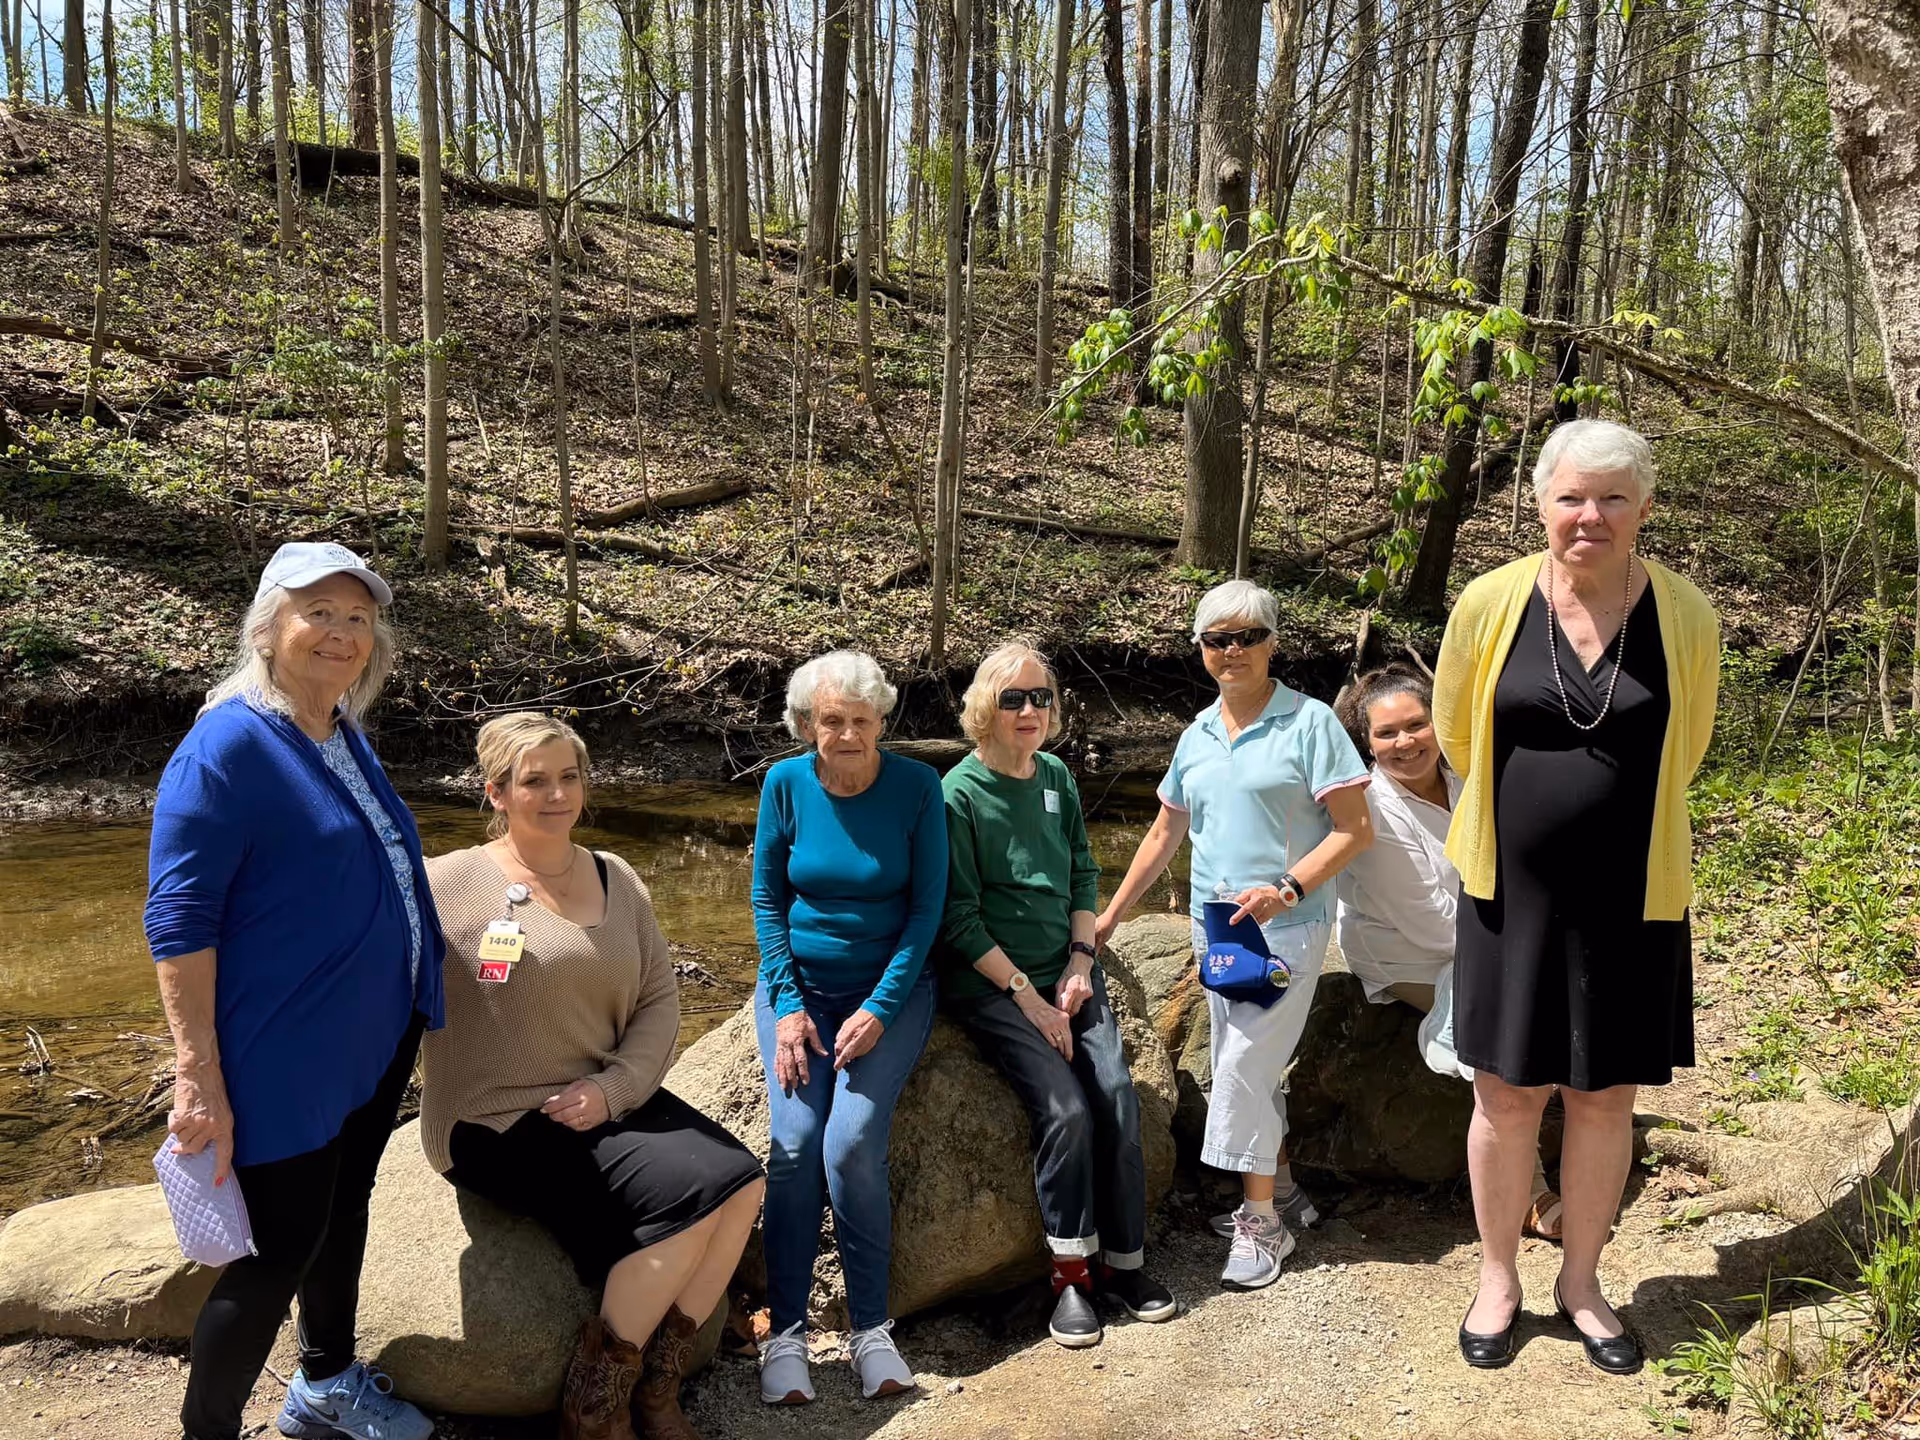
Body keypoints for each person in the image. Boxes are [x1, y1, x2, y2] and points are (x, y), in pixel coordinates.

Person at [1435, 419, 1719, 1374]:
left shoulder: (1685, 616)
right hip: (1508, 898)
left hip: (1632, 900)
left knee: (1604, 1099)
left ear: (1643, 509)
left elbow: (1690, 748)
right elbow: (1457, 734)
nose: (1588, 515)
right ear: (1541, 504)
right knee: (1505, 1097)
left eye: (1610, 498)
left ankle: (1584, 1282)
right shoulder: (1488, 602)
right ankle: (1498, 1278)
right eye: (1570, 497)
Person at [144, 542, 445, 1440]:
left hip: (370, 1037)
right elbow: (180, 920)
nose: (342, 634)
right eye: (320, 612)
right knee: (273, 1254)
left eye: (358, 619)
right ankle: (208, 1433)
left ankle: (323, 1383)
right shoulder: (228, 742)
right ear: (268, 627)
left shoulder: (339, 728)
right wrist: (196, 1068)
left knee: (337, 1214)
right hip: (281, 1049)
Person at [421, 712, 764, 1440]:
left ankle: (652, 1385)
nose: (555, 794)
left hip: (605, 1096)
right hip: (499, 1121)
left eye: (568, 777)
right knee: (687, 1203)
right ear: (497, 792)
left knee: (744, 1180)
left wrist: (613, 1089)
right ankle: (594, 1411)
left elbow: (660, 997)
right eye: (534, 781)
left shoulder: (617, 874)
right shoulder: (446, 885)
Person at [1096, 580, 1373, 1291]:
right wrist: (1111, 916)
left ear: (1273, 642)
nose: (1233, 650)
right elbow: (1164, 833)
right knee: (1243, 1060)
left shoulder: (1310, 723)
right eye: (1217, 639)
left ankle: (1261, 1225)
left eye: (1248, 635)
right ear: (1201, 650)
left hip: (1289, 928)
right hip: (1218, 932)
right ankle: (1281, 1190)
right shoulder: (1196, 734)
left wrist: (1287, 891)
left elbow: (1354, 830)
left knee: (1243, 1067)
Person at [937, 643, 1178, 1350]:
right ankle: (1070, 1278)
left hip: (1067, 970)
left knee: (1116, 1096)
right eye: (1013, 698)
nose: (1030, 711)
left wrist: (1080, 960)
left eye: (1041, 696)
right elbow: (958, 918)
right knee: (1066, 1110)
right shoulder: (958, 795)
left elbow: (1080, 871)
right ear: (985, 706)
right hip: (992, 985)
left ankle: (1125, 1266)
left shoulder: (1056, 778)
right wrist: (1029, 998)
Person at [750, 651, 947, 1405]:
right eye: (832, 721)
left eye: (862, 721)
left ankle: (871, 1330)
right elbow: (767, 900)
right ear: (808, 725)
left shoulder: (916, 788)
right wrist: (790, 1005)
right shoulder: (785, 784)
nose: (848, 735)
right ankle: (788, 1335)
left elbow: (926, 912)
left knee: (852, 1144)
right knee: (795, 1147)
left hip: (888, 994)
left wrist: (879, 1007)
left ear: (881, 724)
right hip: (799, 994)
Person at [1332, 664, 1561, 1242]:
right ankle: (1529, 1191)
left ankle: (1583, 1132)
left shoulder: (1465, 777)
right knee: (1505, 1024)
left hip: (1487, 934)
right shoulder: (1374, 810)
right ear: (1367, 742)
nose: (1405, 742)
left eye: (1416, 724)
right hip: (1406, 952)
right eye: (1387, 734)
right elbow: (1433, 927)